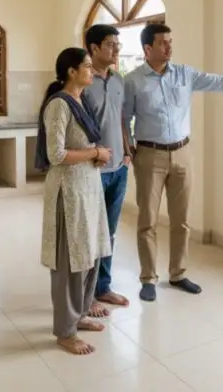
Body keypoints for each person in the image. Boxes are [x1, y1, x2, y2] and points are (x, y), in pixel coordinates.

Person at [123, 23, 223, 302]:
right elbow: (124, 118)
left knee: (181, 220)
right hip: (149, 155)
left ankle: (178, 274)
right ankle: (148, 278)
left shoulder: (184, 74)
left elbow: (219, 82)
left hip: (183, 153)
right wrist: (129, 149)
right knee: (147, 221)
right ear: (148, 48)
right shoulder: (132, 81)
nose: (169, 46)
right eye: (163, 42)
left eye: (171, 41)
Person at [34, 47, 113, 355]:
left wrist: (97, 154)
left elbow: (85, 143)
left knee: (90, 254)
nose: (92, 70)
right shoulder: (59, 105)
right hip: (68, 192)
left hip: (88, 188)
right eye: (87, 66)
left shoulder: (81, 101)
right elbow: (56, 154)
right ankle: (66, 332)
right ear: (71, 71)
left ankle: (80, 314)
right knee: (69, 263)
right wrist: (95, 153)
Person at [82, 24, 132, 316]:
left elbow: (121, 118)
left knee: (109, 232)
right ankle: (86, 295)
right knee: (91, 234)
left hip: (119, 169)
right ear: (94, 48)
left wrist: (127, 148)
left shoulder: (118, 80)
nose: (116, 50)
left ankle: (102, 287)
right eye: (111, 44)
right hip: (93, 170)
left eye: (117, 45)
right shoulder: (83, 80)